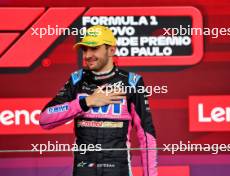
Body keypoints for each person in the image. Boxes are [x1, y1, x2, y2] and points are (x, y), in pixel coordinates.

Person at [39, 25, 157, 176]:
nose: (88, 55)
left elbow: (146, 135)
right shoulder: (77, 80)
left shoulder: (132, 82)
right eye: (85, 49)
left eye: (94, 48)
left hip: (118, 171)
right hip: (83, 169)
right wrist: (86, 102)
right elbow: (45, 119)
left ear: (111, 50)